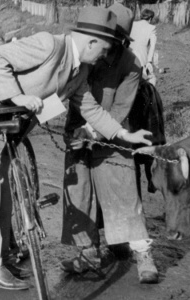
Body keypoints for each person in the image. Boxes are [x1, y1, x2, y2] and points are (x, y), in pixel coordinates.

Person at [0, 6, 151, 291]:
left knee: (5, 190)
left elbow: (90, 109)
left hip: (8, 130)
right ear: (91, 42)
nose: (104, 57)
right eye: (104, 50)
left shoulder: (80, 71)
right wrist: (18, 96)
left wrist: (123, 134)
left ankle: (0, 255)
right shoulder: (49, 44)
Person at [60, 2, 159, 284]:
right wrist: (76, 133)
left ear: (121, 40)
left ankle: (142, 253)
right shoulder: (82, 54)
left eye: (112, 41)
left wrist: (94, 133)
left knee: (123, 191)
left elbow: (119, 110)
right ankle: (88, 253)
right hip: (77, 129)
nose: (104, 47)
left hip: (115, 134)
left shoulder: (131, 65)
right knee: (78, 191)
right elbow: (70, 93)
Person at [129, 8, 157, 86]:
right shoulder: (152, 28)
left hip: (129, 55)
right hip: (142, 58)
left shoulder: (132, 24)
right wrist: (149, 61)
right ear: (150, 18)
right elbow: (152, 46)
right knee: (147, 81)